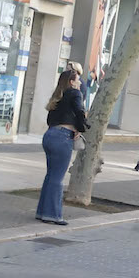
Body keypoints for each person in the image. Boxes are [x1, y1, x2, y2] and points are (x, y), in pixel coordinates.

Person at [35, 67, 88, 226]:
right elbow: (80, 111)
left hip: (50, 135)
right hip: (63, 137)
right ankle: (53, 215)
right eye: (77, 79)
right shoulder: (75, 93)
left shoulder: (58, 96)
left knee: (51, 175)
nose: (79, 82)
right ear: (72, 82)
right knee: (57, 178)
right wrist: (81, 127)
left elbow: (51, 118)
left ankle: (42, 212)